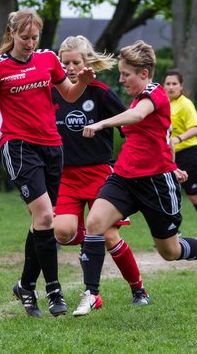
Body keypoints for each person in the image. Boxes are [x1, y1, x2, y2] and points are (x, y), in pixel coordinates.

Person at [0, 8, 95, 318]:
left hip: (53, 147)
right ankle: (53, 290)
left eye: (34, 37)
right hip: (19, 147)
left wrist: (83, 81)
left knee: (41, 222)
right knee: (45, 217)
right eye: (24, 37)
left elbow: (68, 95)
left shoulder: (48, 60)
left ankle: (26, 285)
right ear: (12, 34)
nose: (29, 43)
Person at [81, 40, 197, 297]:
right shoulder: (137, 98)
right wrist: (173, 164)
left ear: (143, 74)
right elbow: (162, 138)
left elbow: (137, 117)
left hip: (155, 183)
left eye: (125, 74)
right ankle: (90, 295)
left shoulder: (154, 93)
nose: (121, 80)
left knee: (170, 252)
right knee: (95, 222)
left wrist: (101, 124)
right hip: (125, 176)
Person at [52, 35, 150, 317]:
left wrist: (134, 163)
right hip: (66, 176)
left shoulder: (102, 92)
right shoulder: (53, 92)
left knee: (108, 235)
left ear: (87, 63)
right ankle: (90, 245)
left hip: (99, 175)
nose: (69, 67)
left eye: (75, 62)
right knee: (62, 231)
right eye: (65, 62)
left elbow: (130, 127)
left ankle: (138, 289)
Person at [164, 69, 197, 212]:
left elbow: (195, 128)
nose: (171, 87)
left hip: (188, 153)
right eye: (168, 83)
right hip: (171, 157)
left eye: (174, 84)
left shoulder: (185, 104)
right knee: (169, 192)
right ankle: (173, 231)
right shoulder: (165, 104)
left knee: (193, 195)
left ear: (181, 86)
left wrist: (178, 139)